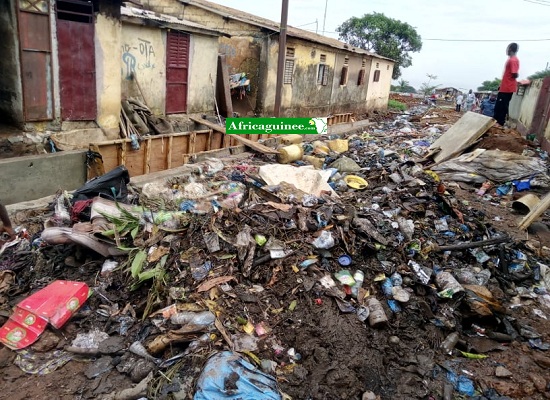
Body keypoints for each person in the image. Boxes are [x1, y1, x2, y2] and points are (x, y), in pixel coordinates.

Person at [494, 42, 520, 126]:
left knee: (502, 106)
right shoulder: (511, 60)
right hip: (504, 87)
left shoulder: (513, 60)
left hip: (508, 88)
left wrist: (515, 76)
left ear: (510, 49)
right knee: (498, 105)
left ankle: (500, 122)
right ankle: (496, 121)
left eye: (507, 49)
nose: (506, 51)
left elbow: (514, 73)